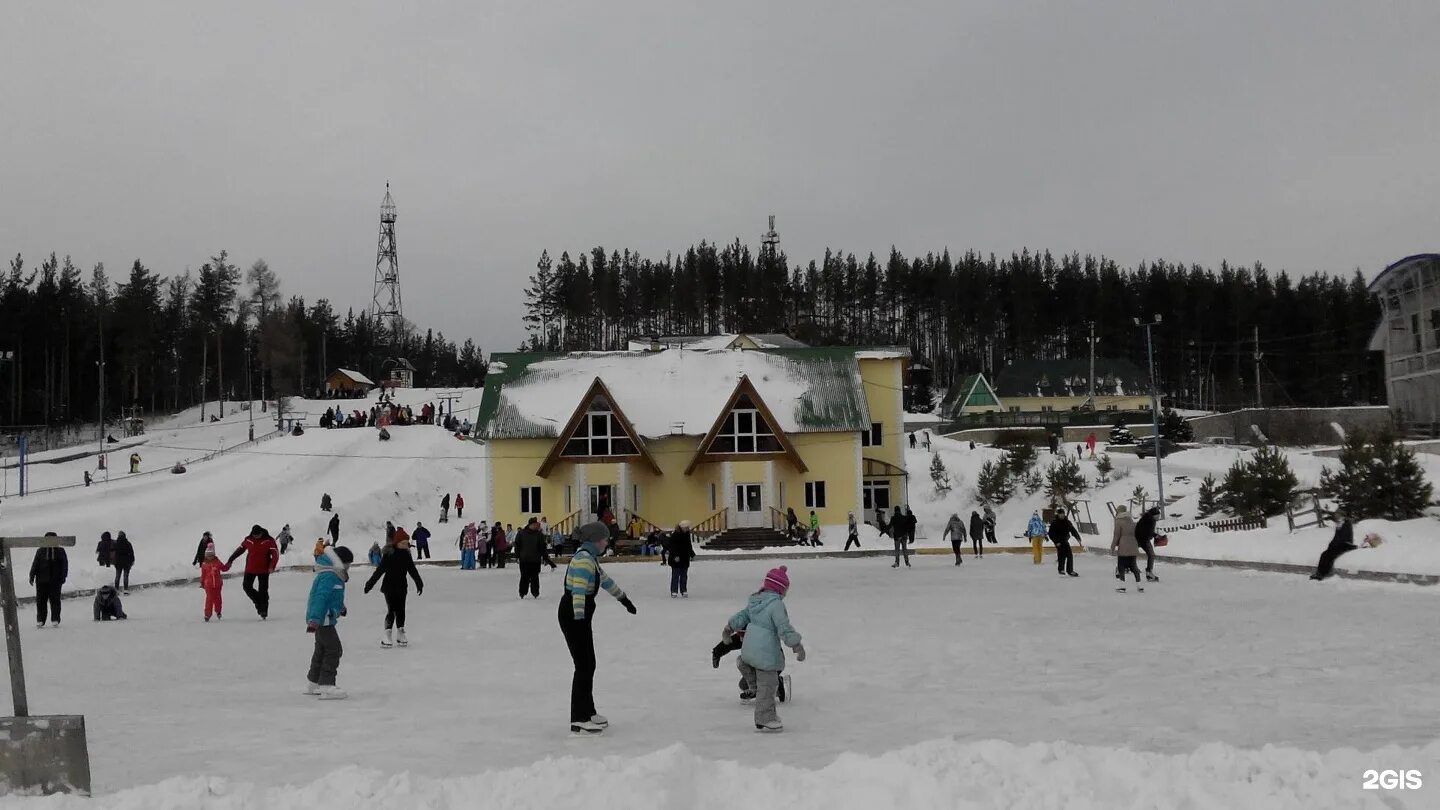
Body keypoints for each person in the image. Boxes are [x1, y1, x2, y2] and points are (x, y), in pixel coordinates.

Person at [559, 522, 637, 735]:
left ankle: (589, 711)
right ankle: (579, 717)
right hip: (575, 614)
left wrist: (624, 599)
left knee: (588, 664)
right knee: (583, 666)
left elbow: (605, 580)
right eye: (604, 539)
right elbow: (578, 591)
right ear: (595, 540)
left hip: (579, 614)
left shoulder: (589, 558)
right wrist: (579, 618)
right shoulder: (584, 561)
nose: (607, 542)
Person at [723, 565, 805, 732]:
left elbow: (742, 616)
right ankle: (765, 717)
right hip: (765, 651)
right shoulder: (776, 605)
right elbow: (784, 628)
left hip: (749, 649)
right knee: (768, 685)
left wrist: (729, 628)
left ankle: (752, 685)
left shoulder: (755, 600)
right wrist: (797, 645)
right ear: (780, 589)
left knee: (757, 674)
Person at [304, 545, 354, 700]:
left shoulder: (332, 574)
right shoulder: (330, 575)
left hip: (323, 618)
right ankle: (327, 685)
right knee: (334, 649)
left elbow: (333, 596)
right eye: (348, 564)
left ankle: (314, 682)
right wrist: (314, 619)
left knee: (321, 650)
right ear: (341, 562)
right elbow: (320, 598)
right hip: (323, 619)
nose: (348, 567)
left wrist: (341, 607)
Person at [364, 530, 424, 648]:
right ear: (396, 543)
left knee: (401, 610)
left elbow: (412, 570)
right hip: (389, 587)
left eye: (406, 543)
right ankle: (387, 633)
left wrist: (419, 582)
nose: (405, 545)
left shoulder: (406, 555)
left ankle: (400, 632)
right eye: (402, 542)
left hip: (402, 587)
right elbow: (379, 571)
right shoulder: (389, 555)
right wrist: (369, 584)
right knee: (391, 609)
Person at [225, 525, 281, 619]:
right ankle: (258, 601)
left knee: (263, 590)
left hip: (264, 570)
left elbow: (275, 554)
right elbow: (240, 550)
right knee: (246, 586)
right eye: (255, 535)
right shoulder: (249, 540)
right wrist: (230, 560)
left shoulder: (269, 540)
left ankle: (263, 611)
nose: (256, 537)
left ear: (262, 533)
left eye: (258, 535)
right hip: (250, 569)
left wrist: (272, 566)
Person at [28, 534, 68, 628]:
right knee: (41, 601)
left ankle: (55, 619)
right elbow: (35, 564)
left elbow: (64, 564)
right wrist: (31, 576)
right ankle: (41, 620)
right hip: (41, 580)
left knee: (55, 600)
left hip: (55, 580)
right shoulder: (40, 551)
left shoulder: (60, 551)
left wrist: (63, 576)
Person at [514, 517, 557, 598]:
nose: (535, 526)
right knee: (524, 576)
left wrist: (545, 558)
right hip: (524, 559)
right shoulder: (521, 533)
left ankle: (535, 592)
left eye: (536, 524)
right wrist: (517, 556)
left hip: (535, 560)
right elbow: (517, 545)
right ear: (530, 524)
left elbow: (542, 548)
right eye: (534, 524)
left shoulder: (539, 535)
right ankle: (522, 592)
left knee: (535, 577)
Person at [1111, 505, 1144, 592]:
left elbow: (1116, 535)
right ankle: (1139, 586)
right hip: (1133, 545)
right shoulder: (1131, 521)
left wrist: (1113, 547)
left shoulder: (1118, 521)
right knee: (1134, 566)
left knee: (1121, 566)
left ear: (1119, 512)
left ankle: (1122, 586)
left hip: (1123, 546)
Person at [1049, 507, 1082, 577]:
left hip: (1065, 540)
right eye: (1060, 514)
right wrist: (1056, 542)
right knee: (1061, 555)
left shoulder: (1067, 522)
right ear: (1058, 515)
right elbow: (1051, 534)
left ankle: (1070, 571)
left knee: (1069, 555)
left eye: (1063, 514)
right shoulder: (1054, 523)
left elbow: (1073, 530)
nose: (1062, 515)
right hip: (1058, 542)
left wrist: (1078, 538)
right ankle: (1061, 569)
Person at [668, 520, 695, 597]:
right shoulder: (675, 535)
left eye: (688, 528)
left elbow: (689, 545)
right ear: (682, 527)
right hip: (676, 558)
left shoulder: (687, 534)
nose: (687, 529)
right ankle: (674, 590)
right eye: (686, 528)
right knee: (675, 575)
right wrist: (675, 556)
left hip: (685, 558)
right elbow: (672, 547)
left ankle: (683, 590)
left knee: (684, 575)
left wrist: (692, 554)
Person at [200, 541, 225, 621]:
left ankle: (218, 611)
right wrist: (202, 582)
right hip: (208, 585)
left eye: (211, 555)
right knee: (209, 599)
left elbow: (223, 568)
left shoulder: (217, 562)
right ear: (206, 556)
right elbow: (203, 574)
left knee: (218, 598)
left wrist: (228, 565)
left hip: (218, 584)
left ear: (214, 555)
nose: (209, 557)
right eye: (208, 556)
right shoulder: (204, 564)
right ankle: (207, 614)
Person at [1135, 506, 1161, 582]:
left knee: (1132, 553)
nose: (1158, 517)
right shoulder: (1150, 520)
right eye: (1158, 515)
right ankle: (1149, 573)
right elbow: (1147, 531)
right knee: (1151, 555)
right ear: (1154, 515)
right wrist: (1155, 535)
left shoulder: (1147, 518)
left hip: (1138, 538)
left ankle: (1124, 567)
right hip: (1143, 539)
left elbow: (1145, 530)